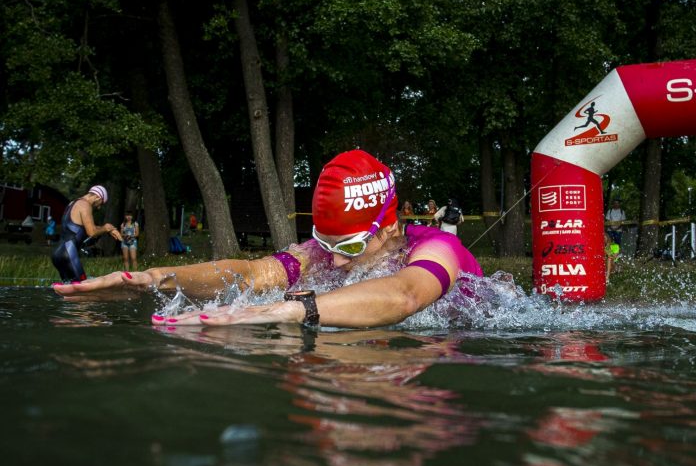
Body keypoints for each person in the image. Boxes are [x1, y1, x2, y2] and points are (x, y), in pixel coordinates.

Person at [53, 150, 483, 329]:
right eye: (323, 242)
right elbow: (254, 273)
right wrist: (155, 278)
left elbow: (406, 296)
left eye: (349, 247)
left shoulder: (436, 248)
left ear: (390, 226)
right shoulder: (324, 254)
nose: (332, 262)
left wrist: (292, 309)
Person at [50, 185, 122, 282]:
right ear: (97, 197)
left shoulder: (73, 203)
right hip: (68, 253)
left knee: (69, 289)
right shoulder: (85, 205)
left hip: (57, 254)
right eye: (101, 203)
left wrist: (109, 229)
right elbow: (92, 232)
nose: (99, 207)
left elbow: (82, 227)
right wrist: (105, 228)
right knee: (83, 285)